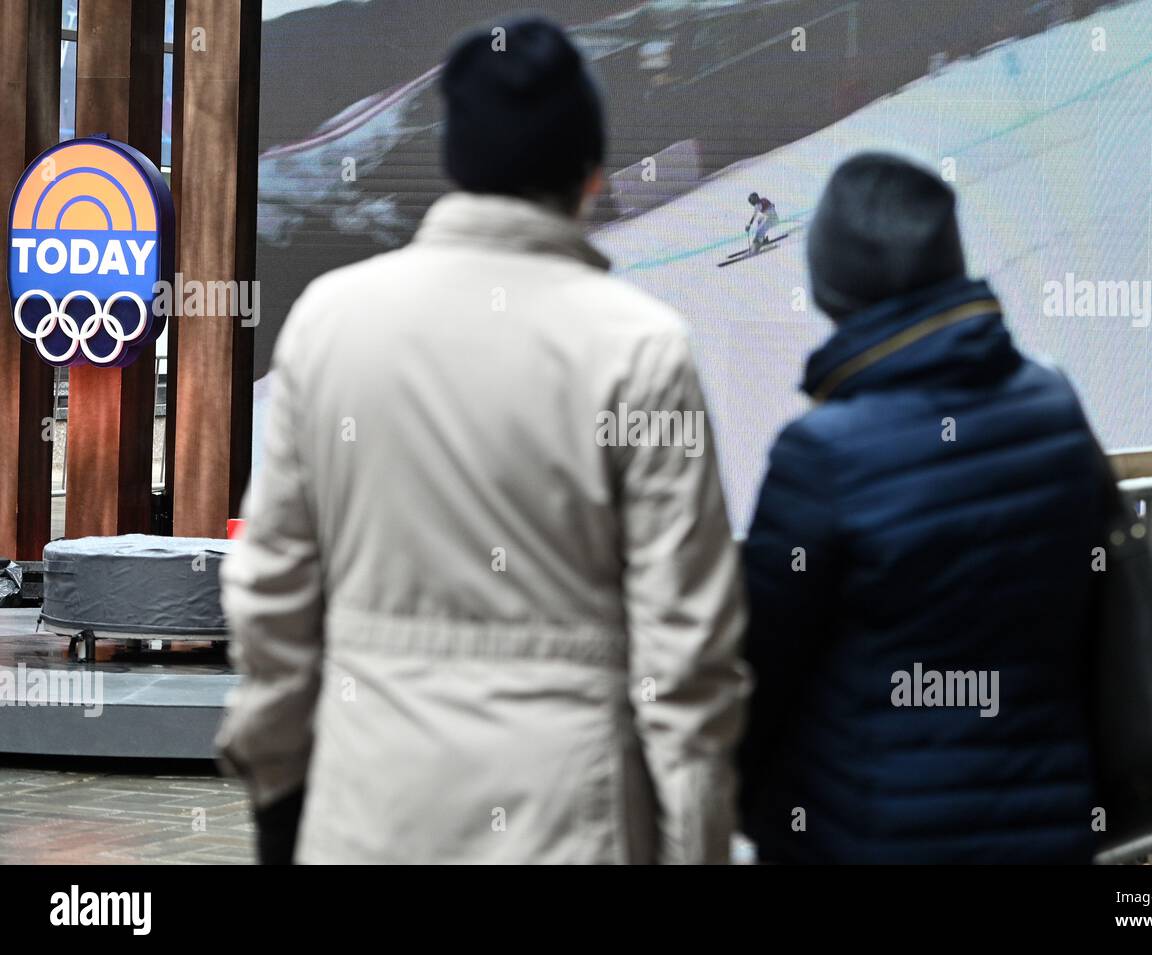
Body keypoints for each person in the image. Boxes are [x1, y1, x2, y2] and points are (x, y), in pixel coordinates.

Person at [217, 16, 748, 864]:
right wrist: (697, 836)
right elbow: (687, 639)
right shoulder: (641, 346)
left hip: (371, 804)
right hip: (573, 818)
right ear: (591, 174)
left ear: (453, 163)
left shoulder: (331, 322)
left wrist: (278, 782)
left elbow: (272, 588)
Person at [738, 153, 1102, 864]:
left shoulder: (821, 452)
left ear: (833, 285)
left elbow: (765, 666)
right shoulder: (1052, 408)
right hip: (1044, 825)